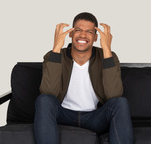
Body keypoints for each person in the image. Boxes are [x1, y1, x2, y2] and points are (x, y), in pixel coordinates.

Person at [34, 12, 133, 144]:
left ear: (96, 37)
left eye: (89, 32)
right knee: (44, 100)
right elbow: (48, 92)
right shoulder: (55, 55)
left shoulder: (108, 56)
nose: (82, 35)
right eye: (78, 30)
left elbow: (113, 95)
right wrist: (56, 47)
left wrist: (107, 50)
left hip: (94, 118)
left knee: (120, 103)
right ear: (70, 33)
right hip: (63, 115)